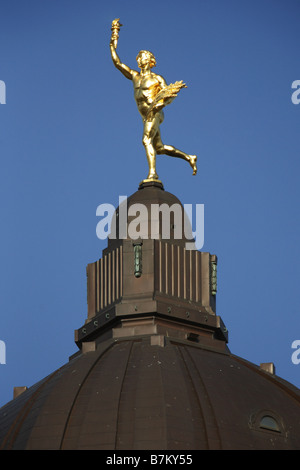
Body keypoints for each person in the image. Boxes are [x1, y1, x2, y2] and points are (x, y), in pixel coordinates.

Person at [110, 19, 197, 181]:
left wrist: (158, 105)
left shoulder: (157, 78)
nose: (139, 58)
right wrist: (113, 39)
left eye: (142, 56)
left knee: (145, 140)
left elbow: (168, 95)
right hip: (145, 116)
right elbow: (117, 63)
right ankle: (189, 157)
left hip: (154, 112)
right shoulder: (135, 76)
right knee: (159, 147)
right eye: (138, 56)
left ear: (150, 60)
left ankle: (152, 174)